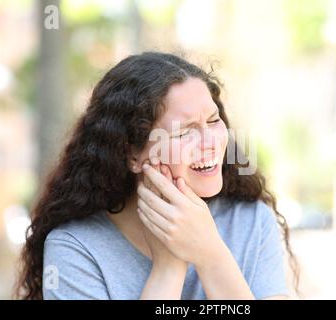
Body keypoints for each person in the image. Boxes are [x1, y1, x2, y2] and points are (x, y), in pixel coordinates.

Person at [15, 51, 299, 300]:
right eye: (184, 131)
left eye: (213, 121)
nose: (211, 142)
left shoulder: (249, 220)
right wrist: (168, 268)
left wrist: (211, 253)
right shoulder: (75, 248)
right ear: (132, 155)